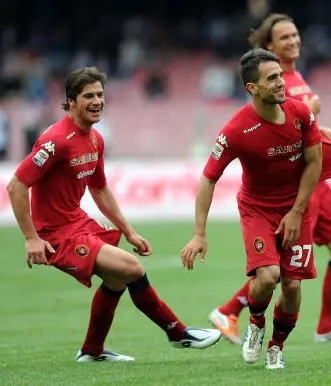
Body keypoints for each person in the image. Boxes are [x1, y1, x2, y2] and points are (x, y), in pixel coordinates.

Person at [6, 67, 221, 363]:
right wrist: (31, 238)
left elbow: (100, 189)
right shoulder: (55, 140)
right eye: (88, 96)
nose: (97, 101)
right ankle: (178, 333)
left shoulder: (95, 139)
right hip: (55, 233)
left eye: (100, 94)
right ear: (70, 102)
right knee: (131, 268)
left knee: (117, 279)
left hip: (77, 222)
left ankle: (92, 351)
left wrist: (129, 231)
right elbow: (16, 185)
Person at [208, 13, 331, 345]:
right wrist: (310, 110)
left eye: (296, 35)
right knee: (282, 267)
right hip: (295, 186)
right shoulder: (277, 82)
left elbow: (296, 128)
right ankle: (232, 310)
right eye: (285, 38)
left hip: (312, 177)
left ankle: (325, 327)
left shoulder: (296, 76)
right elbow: (281, 125)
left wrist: (320, 129)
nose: (293, 41)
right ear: (269, 47)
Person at [180, 48, 323, 369]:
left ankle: (276, 346)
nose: (280, 82)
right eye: (271, 78)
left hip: (297, 208)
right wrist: (199, 233)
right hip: (257, 209)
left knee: (293, 285)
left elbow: (315, 162)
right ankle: (256, 323)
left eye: (280, 75)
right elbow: (207, 179)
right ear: (252, 88)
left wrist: (298, 211)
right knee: (269, 276)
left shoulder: (301, 114)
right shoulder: (236, 130)